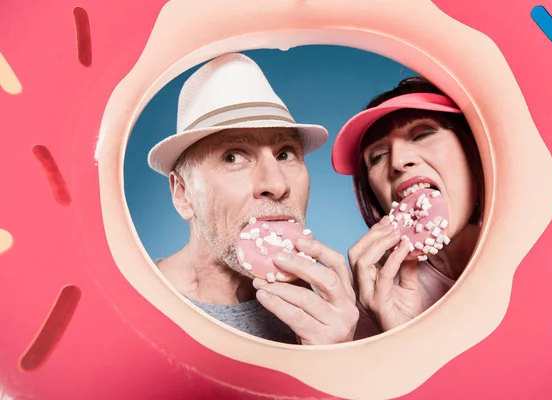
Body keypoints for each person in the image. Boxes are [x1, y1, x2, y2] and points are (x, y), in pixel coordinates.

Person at [147, 53, 359, 345]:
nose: (276, 184)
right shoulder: (130, 302)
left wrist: (337, 358)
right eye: (233, 157)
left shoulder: (332, 315)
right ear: (183, 193)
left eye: (285, 153)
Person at [331, 76, 484, 338]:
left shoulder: (540, 240)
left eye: (423, 134)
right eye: (377, 157)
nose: (398, 161)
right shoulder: (378, 295)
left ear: (472, 147)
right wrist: (402, 335)